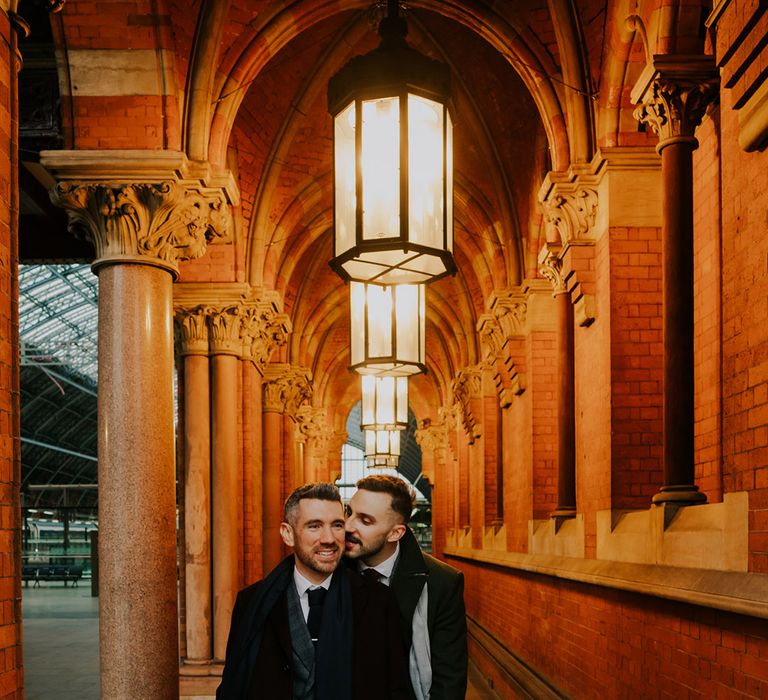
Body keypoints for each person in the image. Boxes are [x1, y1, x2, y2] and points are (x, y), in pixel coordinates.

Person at [217, 482, 411, 700]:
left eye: (337, 525)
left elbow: (397, 690)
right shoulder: (252, 602)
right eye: (314, 526)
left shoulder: (378, 602)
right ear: (288, 534)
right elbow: (233, 686)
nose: (329, 539)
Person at [345, 475, 468, 700]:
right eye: (349, 512)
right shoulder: (331, 570)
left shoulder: (441, 582)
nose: (348, 526)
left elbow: (449, 679)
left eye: (365, 520)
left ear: (396, 533)